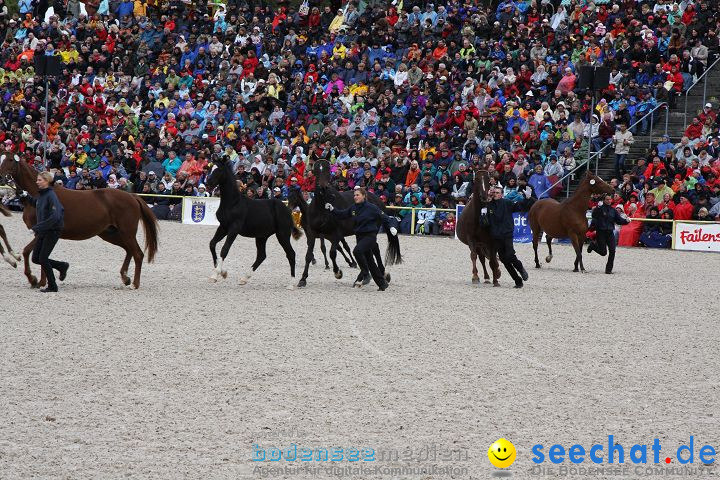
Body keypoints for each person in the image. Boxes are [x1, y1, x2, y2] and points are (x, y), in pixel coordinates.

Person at [325, 187, 398, 290]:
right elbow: (342, 214)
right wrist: (332, 209)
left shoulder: (372, 207)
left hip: (370, 236)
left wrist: (391, 227)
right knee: (370, 262)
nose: (355, 197)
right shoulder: (353, 208)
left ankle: (365, 272)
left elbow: (385, 217)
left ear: (364, 196)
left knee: (357, 251)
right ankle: (382, 284)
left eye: (357, 195)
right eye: (354, 195)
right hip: (359, 236)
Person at [24, 172, 69, 292]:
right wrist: (25, 196)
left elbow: (56, 216)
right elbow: (37, 204)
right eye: (37, 180)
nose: (37, 182)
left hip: (53, 230)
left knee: (43, 258)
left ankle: (53, 286)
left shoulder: (51, 195)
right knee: (35, 258)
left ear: (46, 181)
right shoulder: (42, 195)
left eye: (39, 180)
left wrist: (37, 228)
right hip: (44, 230)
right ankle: (62, 266)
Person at [483, 186, 531, 288]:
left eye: (497, 192)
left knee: (510, 255)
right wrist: (483, 214)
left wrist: (527, 198)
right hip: (496, 237)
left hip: (507, 234)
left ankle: (521, 269)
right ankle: (518, 281)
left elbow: (519, 207)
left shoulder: (507, 203)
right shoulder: (488, 206)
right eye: (494, 192)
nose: (495, 194)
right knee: (504, 260)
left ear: (502, 194)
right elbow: (484, 224)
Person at [587, 193, 631, 274]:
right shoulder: (599, 208)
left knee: (612, 251)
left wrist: (626, 221)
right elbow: (594, 215)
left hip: (610, 232)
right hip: (601, 232)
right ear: (604, 200)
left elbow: (619, 220)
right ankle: (593, 245)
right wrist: (598, 207)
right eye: (607, 199)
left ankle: (608, 270)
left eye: (610, 199)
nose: (608, 201)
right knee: (603, 252)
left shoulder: (613, 210)